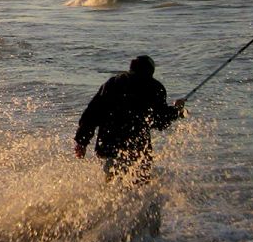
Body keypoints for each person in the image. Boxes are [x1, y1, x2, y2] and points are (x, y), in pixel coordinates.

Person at [74, 55, 187, 183]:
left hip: (109, 145)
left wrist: (81, 141)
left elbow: (92, 113)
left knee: (112, 184)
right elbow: (160, 121)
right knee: (139, 185)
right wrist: (177, 110)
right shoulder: (155, 87)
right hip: (137, 147)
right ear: (150, 71)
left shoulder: (112, 83)